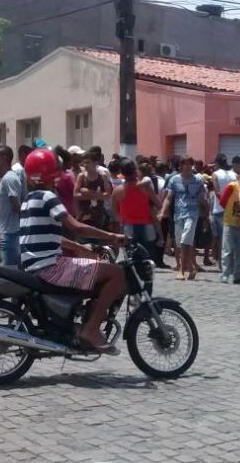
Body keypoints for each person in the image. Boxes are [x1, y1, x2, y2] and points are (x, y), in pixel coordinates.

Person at [20, 149, 126, 354]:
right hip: (51, 268)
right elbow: (75, 226)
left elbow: (50, 237)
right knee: (117, 274)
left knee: (100, 270)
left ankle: (80, 322)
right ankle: (92, 329)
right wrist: (112, 236)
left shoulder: (30, 198)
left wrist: (81, 248)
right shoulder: (48, 197)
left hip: (36, 265)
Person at [159, 156, 207, 280]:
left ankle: (181, 270)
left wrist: (207, 214)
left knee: (185, 240)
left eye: (189, 164)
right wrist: (162, 212)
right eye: (184, 164)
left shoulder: (198, 180)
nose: (186, 166)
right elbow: (169, 197)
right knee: (181, 242)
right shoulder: (174, 180)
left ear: (192, 166)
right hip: (178, 214)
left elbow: (202, 199)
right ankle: (191, 267)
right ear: (180, 166)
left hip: (192, 213)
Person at [112, 158, 161, 261]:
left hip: (128, 225)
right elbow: (159, 204)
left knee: (131, 258)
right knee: (147, 257)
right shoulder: (145, 187)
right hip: (147, 224)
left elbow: (115, 211)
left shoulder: (117, 190)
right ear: (135, 170)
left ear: (122, 172)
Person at [210, 154, 240, 272]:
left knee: (221, 241)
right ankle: (232, 266)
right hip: (233, 211)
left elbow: (217, 192)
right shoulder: (234, 175)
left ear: (217, 163)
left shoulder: (215, 175)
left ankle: (223, 267)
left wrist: (224, 203)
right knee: (233, 241)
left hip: (219, 210)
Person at [0, 146, 26, 267]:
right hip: (8, 231)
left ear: (4, 158)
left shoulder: (9, 178)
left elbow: (16, 205)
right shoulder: (7, 177)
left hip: (11, 232)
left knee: (9, 271)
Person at [218, 168, 240, 284]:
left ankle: (237, 275)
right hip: (230, 222)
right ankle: (225, 274)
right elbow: (222, 201)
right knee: (227, 250)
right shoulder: (232, 186)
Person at [74, 151, 112, 235]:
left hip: (99, 217)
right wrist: (97, 195)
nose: (85, 165)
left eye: (88, 162)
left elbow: (107, 195)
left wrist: (89, 193)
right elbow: (76, 195)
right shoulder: (82, 176)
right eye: (84, 163)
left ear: (95, 163)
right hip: (83, 216)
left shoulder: (102, 177)